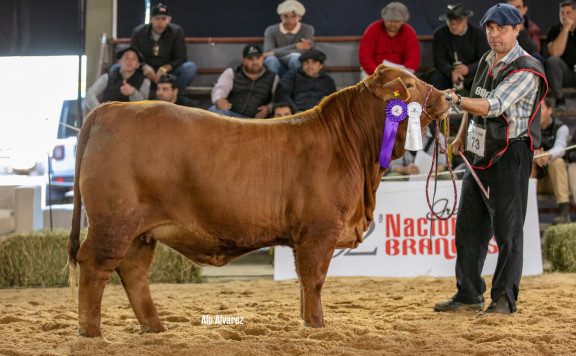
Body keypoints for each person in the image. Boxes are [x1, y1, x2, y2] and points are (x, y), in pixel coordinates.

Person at [435, 3, 547, 315]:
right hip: (479, 152)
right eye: (489, 29)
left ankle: (503, 299)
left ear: (516, 29)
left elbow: (493, 105)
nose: (493, 34)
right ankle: (468, 293)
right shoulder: (487, 58)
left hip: (511, 154)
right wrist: (460, 137)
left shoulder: (528, 68)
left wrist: (455, 100)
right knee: (469, 227)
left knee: (508, 231)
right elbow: (479, 93)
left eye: (500, 28)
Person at [130, 3, 197, 93]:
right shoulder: (138, 32)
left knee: (190, 68)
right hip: (144, 73)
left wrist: (165, 68)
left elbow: (181, 57)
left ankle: (172, 96)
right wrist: (143, 66)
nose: (160, 23)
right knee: (117, 68)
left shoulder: (176, 31)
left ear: (169, 20)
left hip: (169, 74)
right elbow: (133, 54)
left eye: (163, 19)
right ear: (151, 19)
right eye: (157, 19)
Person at [208, 44, 279, 119]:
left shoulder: (273, 77)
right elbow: (221, 88)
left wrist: (268, 109)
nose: (255, 62)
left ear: (262, 58)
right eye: (250, 59)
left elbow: (276, 99)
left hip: (254, 120)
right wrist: (218, 100)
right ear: (244, 61)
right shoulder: (232, 72)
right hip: (230, 116)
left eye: (258, 58)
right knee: (216, 110)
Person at [431, 4, 489, 92]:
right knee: (436, 80)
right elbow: (439, 60)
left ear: (465, 20)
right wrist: (451, 71)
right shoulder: (440, 34)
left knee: (485, 81)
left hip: (473, 73)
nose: (454, 26)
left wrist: (469, 69)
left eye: (457, 22)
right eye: (451, 23)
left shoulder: (478, 34)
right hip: (448, 72)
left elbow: (484, 59)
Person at [532, 97, 571, 224]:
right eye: (535, 109)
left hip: (552, 181)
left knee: (558, 161)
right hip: (534, 179)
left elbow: (561, 148)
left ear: (550, 110)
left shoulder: (561, 127)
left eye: (541, 108)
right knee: (526, 162)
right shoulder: (530, 128)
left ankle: (564, 211)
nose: (537, 112)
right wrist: (535, 155)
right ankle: (527, 211)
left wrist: (546, 155)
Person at [358, 2, 420, 76]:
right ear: (383, 19)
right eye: (389, 20)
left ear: (403, 21)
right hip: (374, 72)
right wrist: (375, 72)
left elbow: (413, 59)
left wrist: (402, 73)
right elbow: (365, 55)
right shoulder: (372, 30)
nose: (393, 24)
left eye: (397, 21)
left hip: (401, 73)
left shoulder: (409, 33)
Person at [85, 47, 150, 114]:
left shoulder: (145, 81)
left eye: (133, 59)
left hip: (132, 120)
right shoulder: (107, 77)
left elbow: (144, 107)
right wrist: (100, 111)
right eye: (126, 58)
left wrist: (133, 93)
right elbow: (89, 94)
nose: (130, 61)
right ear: (119, 62)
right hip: (108, 118)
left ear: (138, 64)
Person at [263, 0, 315, 77]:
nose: (289, 20)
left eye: (293, 16)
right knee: (270, 60)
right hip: (277, 64)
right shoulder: (271, 30)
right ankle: (272, 87)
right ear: (281, 16)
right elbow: (267, 53)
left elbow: (307, 50)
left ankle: (298, 86)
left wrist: (275, 53)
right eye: (286, 16)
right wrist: (296, 46)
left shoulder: (307, 29)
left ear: (299, 17)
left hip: (296, 63)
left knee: (296, 59)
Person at [546, 0, 576, 110]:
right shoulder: (555, 30)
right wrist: (566, 29)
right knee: (552, 61)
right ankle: (560, 100)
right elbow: (555, 53)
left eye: (569, 13)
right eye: (562, 14)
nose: (565, 17)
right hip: (565, 74)